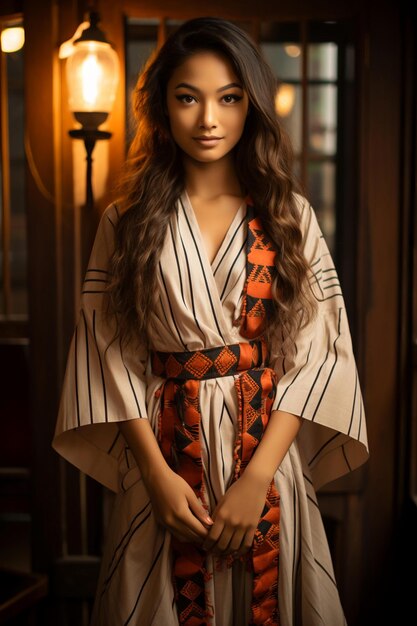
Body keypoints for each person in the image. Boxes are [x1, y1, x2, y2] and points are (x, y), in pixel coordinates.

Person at [52, 16, 369, 626]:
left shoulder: (287, 214)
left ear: (250, 105)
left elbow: (318, 353)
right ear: (162, 105)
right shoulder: (126, 220)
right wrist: (156, 475)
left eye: (228, 98)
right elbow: (107, 354)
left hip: (266, 463)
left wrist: (258, 481)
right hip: (166, 465)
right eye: (188, 97)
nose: (208, 120)